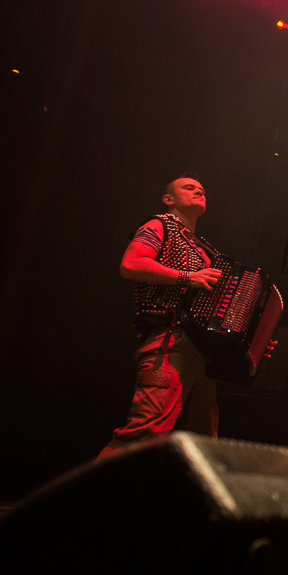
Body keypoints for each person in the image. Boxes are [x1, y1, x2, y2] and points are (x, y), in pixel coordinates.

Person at [98, 175, 222, 458]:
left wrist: (247, 342)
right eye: (188, 188)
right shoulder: (158, 224)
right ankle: (88, 500)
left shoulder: (204, 248)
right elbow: (131, 263)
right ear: (169, 200)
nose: (198, 190)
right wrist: (187, 277)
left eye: (201, 188)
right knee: (144, 433)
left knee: (202, 448)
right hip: (168, 340)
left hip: (201, 351)